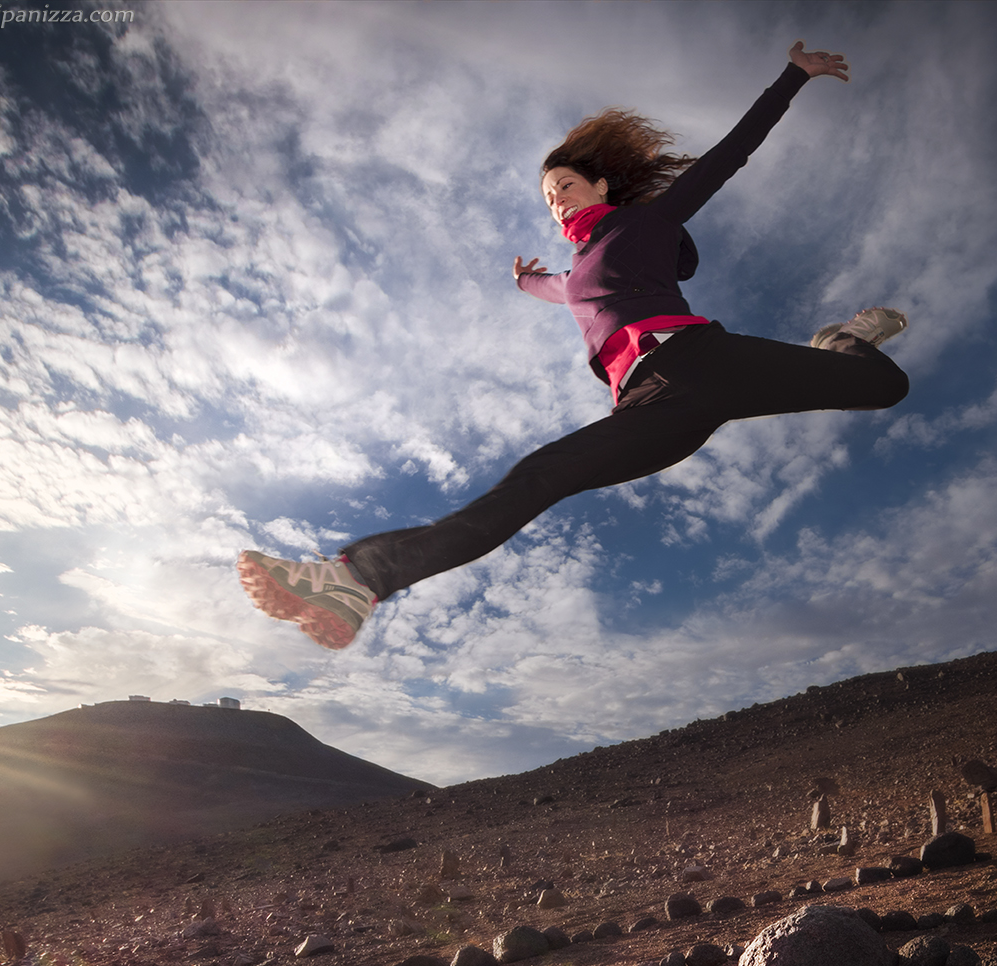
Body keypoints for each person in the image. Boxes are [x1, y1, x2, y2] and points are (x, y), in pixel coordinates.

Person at [239, 41, 909, 650]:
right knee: (536, 479)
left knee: (886, 387)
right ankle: (354, 580)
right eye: (546, 196)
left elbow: (728, 155)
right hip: (655, 408)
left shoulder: (645, 223)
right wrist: (527, 280)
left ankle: (842, 342)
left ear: (601, 186)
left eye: (563, 186)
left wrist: (792, 77)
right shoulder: (572, 274)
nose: (555, 201)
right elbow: (557, 291)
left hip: (702, 357)